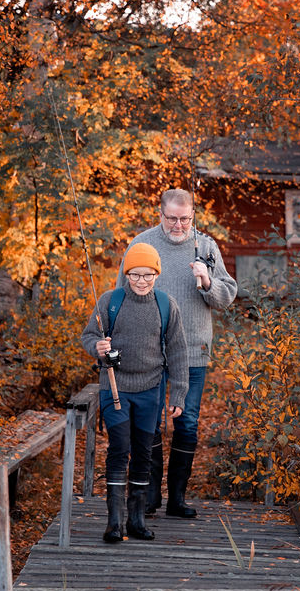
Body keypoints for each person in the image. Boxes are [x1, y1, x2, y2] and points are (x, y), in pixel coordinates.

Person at [117, 189, 237, 519]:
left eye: (185, 219)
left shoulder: (207, 248)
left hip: (194, 351)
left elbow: (227, 296)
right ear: (160, 215)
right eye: (172, 218)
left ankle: (177, 498)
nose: (179, 225)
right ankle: (151, 495)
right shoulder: (142, 245)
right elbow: (120, 296)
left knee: (187, 424)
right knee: (148, 423)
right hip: (148, 352)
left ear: (193, 216)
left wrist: (207, 280)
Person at [81, 243, 188, 543]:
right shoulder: (110, 301)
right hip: (115, 387)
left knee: (143, 452)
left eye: (148, 274)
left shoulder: (166, 306)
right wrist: (98, 348)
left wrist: (178, 394)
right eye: (135, 275)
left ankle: (136, 520)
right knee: (119, 448)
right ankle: (114, 522)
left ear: (157, 274)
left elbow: (178, 352)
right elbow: (89, 336)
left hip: (151, 389)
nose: (142, 281)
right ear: (126, 274)